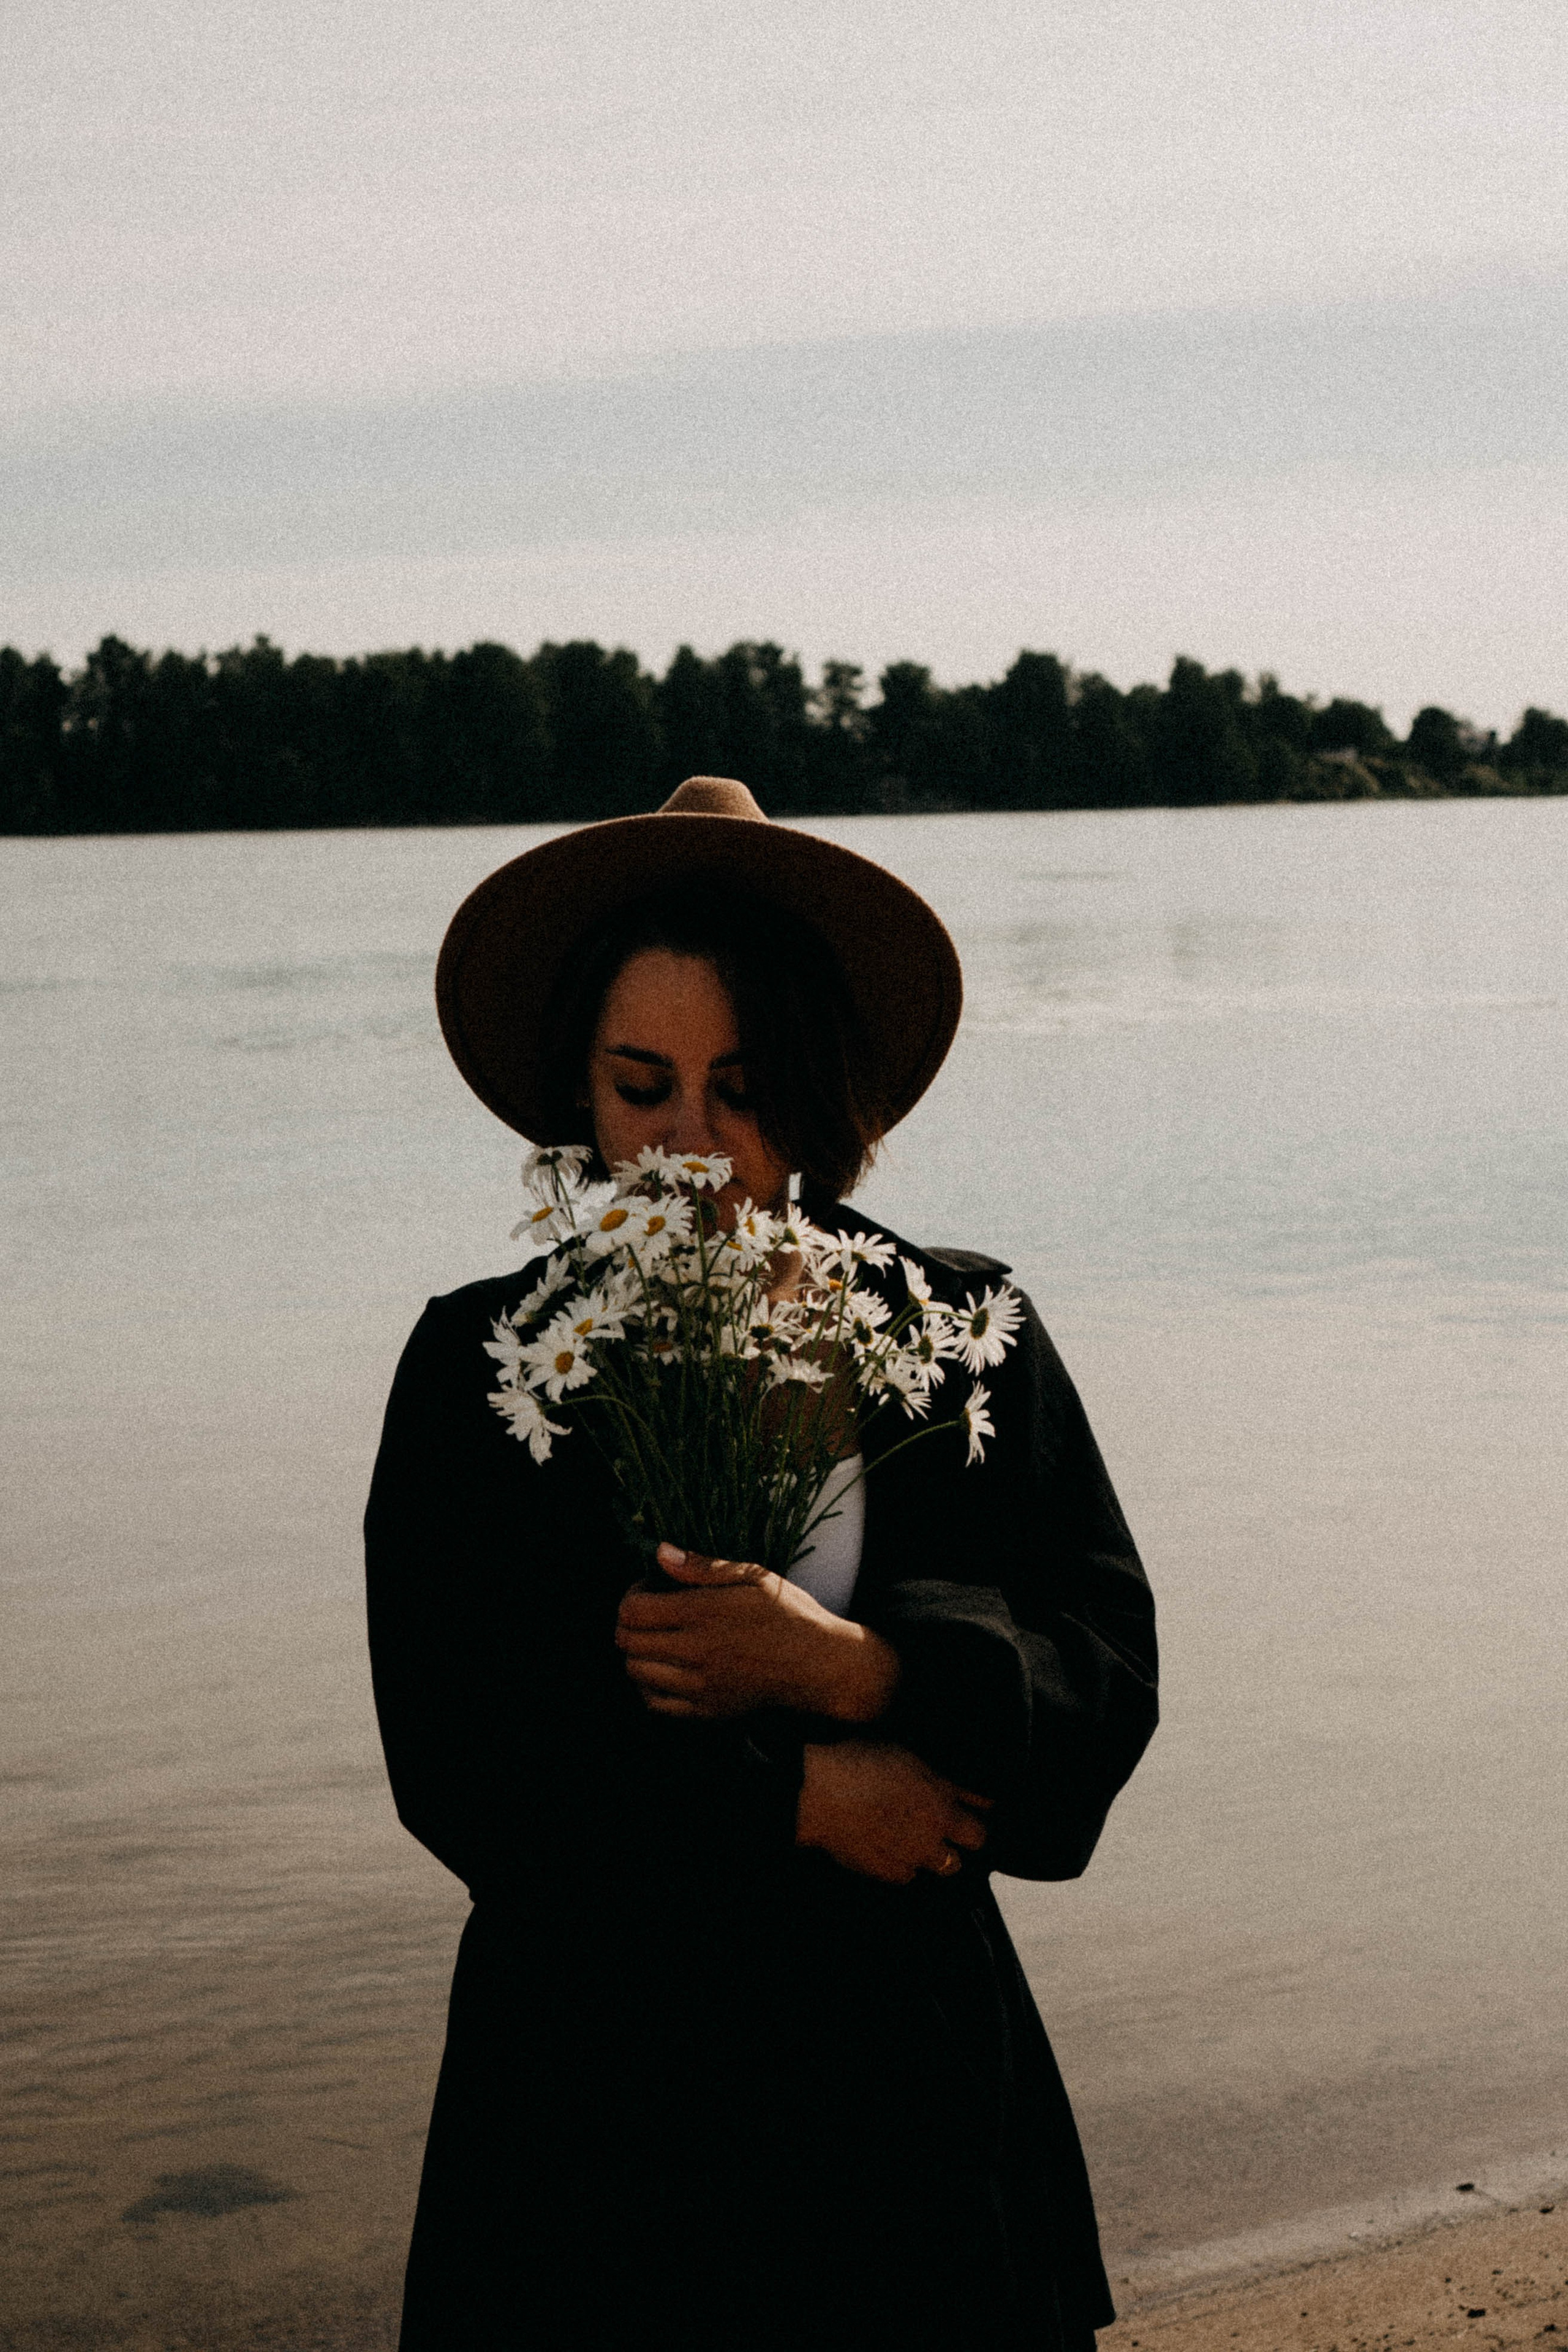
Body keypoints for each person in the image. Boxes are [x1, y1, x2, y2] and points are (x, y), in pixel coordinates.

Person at [365, 776, 1158, 2351]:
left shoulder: (949, 1331)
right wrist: (797, 1798)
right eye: (640, 1083)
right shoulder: (485, 1363)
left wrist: (858, 1669)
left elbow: (1104, 1678)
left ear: (816, 1084)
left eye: (741, 1084)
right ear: (578, 1095)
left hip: (911, 2104)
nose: (687, 1143)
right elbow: (463, 1761)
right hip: (593, 2119)